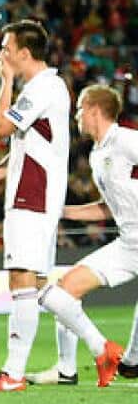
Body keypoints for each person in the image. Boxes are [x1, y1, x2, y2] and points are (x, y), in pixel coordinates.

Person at [0, 20, 76, 392]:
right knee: (39, 287)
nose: (1, 55)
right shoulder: (45, 89)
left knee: (22, 281)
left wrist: (5, 81)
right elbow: (24, 152)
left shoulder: (42, 88)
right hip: (36, 197)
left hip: (32, 199)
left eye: (6, 49)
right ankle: (94, 350)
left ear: (24, 53)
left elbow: (0, 129)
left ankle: (13, 374)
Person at [36, 84, 131, 387]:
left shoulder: (125, 140)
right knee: (64, 291)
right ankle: (67, 369)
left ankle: (113, 356)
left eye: (79, 109)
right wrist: (60, 212)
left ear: (94, 110)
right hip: (129, 243)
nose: (76, 115)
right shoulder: (96, 154)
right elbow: (106, 209)